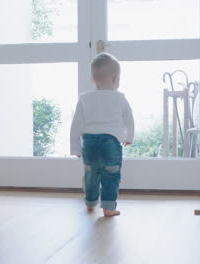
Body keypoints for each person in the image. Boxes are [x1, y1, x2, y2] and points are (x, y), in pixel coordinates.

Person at [70, 52, 134, 217]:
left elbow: (76, 125)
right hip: (111, 144)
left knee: (91, 174)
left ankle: (90, 204)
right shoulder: (120, 98)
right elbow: (129, 119)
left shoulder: (85, 99)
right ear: (115, 78)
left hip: (89, 144)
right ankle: (108, 207)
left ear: (92, 78)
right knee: (111, 176)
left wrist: (75, 147)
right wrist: (128, 137)